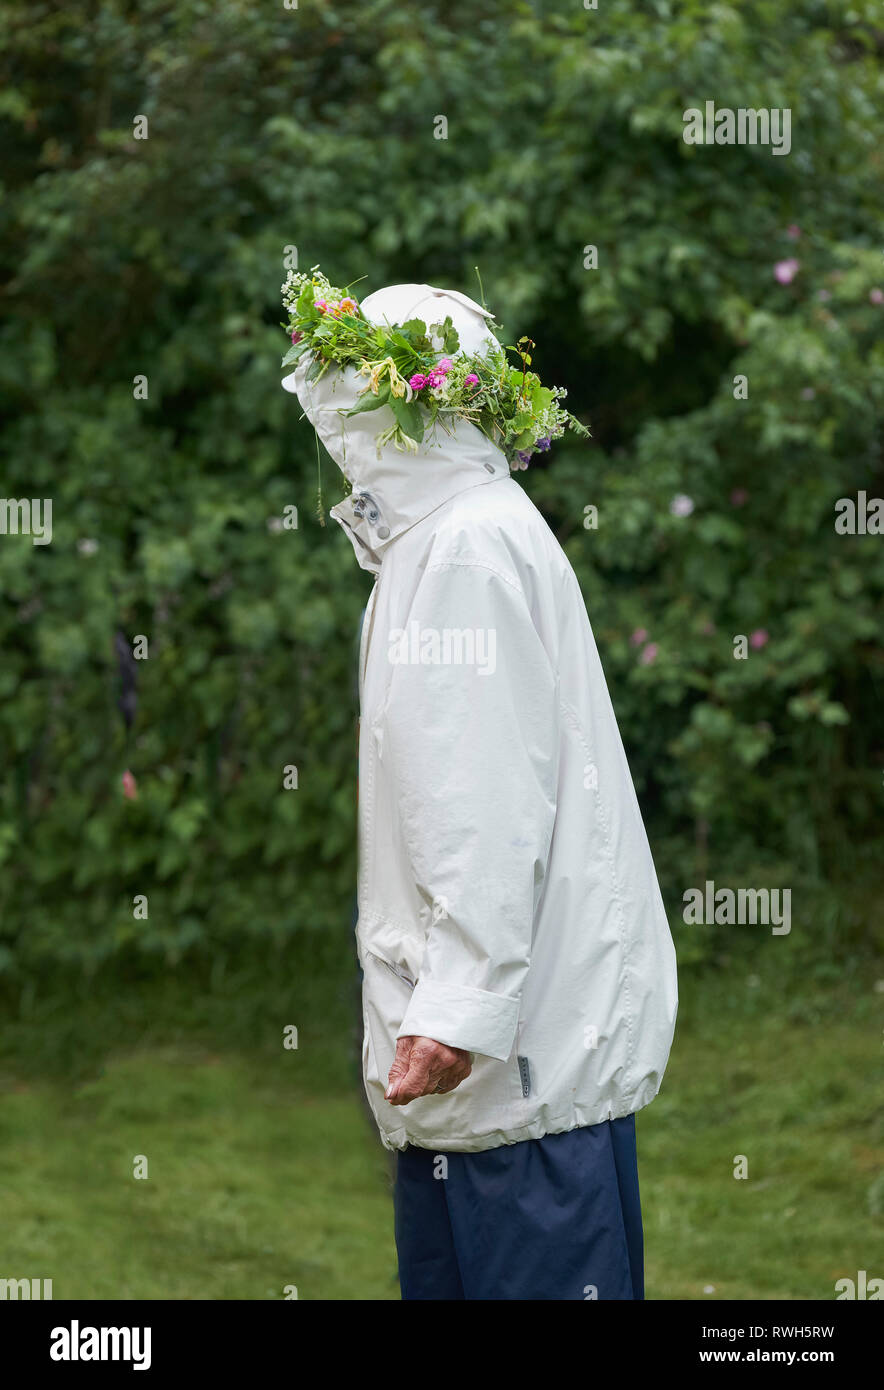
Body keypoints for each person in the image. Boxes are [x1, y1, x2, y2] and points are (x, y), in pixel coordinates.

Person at [283, 281, 677, 1301]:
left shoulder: (462, 548)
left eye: (349, 382)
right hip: (495, 1091)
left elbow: (484, 798)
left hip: (514, 1093)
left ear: (401, 399)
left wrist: (457, 1009)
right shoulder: (445, 540)